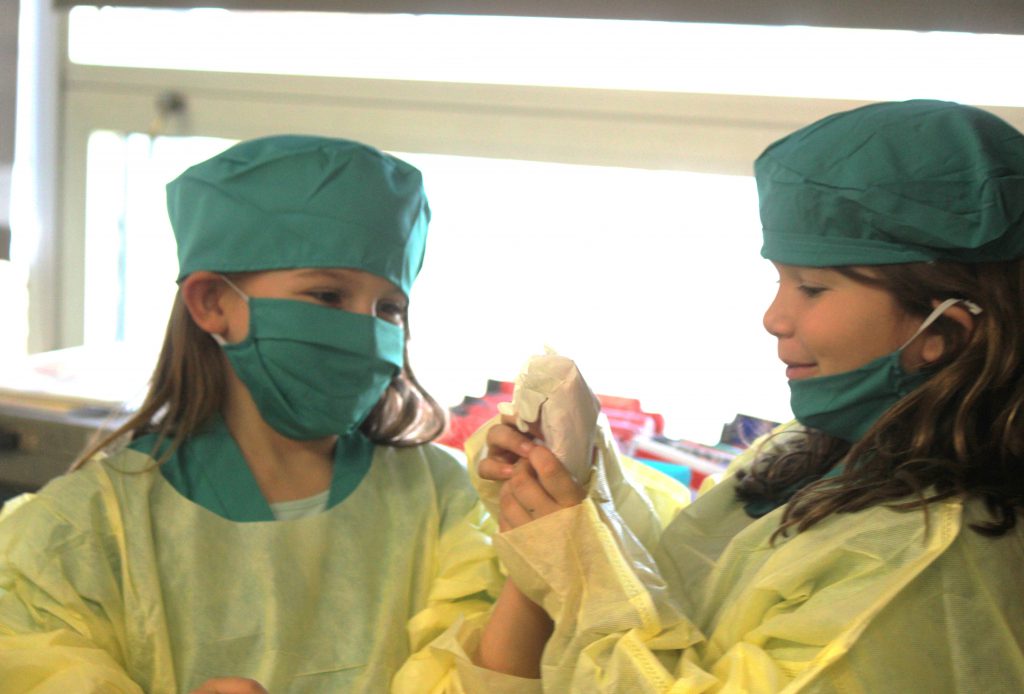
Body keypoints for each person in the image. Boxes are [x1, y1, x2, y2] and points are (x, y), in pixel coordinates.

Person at [474, 99, 1024, 692]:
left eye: (812, 287)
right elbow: (685, 586)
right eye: (780, 280)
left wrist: (579, 568)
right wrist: (575, 490)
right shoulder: (813, 451)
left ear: (944, 331)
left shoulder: (933, 557)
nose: (774, 318)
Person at [0, 135, 519, 693]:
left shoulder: (443, 504)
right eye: (327, 296)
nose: (365, 330)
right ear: (212, 303)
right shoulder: (84, 531)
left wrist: (537, 555)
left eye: (388, 308)